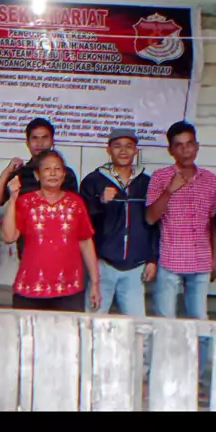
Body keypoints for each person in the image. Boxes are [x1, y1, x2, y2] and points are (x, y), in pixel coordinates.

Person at [146, 121, 216, 398]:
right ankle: (162, 376)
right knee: (165, 322)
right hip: (170, 259)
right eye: (179, 145)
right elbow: (150, 217)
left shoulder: (210, 180)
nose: (185, 150)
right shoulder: (160, 177)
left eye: (190, 143)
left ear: (197, 147)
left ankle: (196, 380)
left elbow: (215, 222)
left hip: (200, 261)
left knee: (200, 322)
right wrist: (170, 190)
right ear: (171, 150)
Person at [2, 149, 100, 312]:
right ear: (38, 175)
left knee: (68, 330)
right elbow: (9, 236)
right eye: (47, 169)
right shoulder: (25, 202)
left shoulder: (75, 203)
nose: (53, 173)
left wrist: (95, 282)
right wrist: (12, 199)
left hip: (69, 290)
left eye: (57, 169)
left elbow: (85, 242)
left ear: (64, 175)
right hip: (30, 288)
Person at [80, 127, 158, 316]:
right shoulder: (93, 181)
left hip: (135, 266)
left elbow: (154, 223)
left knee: (137, 324)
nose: (123, 151)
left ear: (135, 150)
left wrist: (152, 258)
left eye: (129, 146)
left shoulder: (147, 183)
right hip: (102, 263)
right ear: (108, 149)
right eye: (117, 146)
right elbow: (83, 222)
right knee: (94, 320)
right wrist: (101, 202)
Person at [0, 117, 78, 258]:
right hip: (28, 252)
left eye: (44, 138)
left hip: (60, 250)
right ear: (27, 143)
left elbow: (75, 214)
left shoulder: (65, 174)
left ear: (52, 141)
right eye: (35, 138)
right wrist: (7, 172)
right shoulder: (20, 174)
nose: (40, 143)